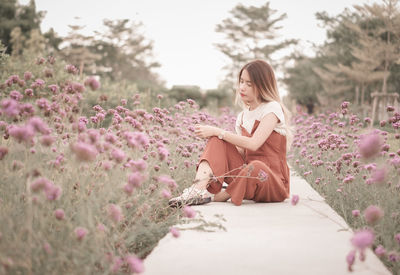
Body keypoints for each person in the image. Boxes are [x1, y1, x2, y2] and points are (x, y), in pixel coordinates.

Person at [168, 59, 292, 207]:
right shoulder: (242, 116)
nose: (242, 88)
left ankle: (224, 195)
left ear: (263, 86)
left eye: (249, 84)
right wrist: (217, 153)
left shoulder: (272, 108)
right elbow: (242, 153)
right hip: (248, 179)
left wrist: (218, 131)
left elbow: (253, 144)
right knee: (217, 140)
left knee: (255, 166)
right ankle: (197, 189)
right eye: (241, 82)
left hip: (273, 183)